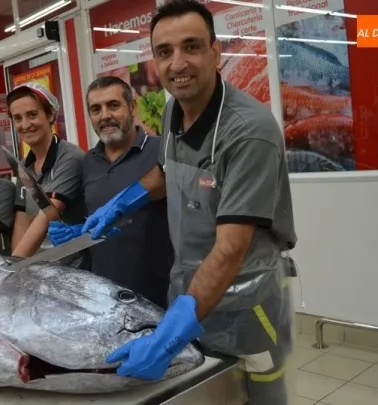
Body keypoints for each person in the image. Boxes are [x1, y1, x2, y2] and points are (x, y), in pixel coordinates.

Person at [55, 2, 298, 404]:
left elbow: (232, 248)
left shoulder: (248, 131)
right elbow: (166, 173)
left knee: (261, 395)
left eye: (192, 46)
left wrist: (168, 338)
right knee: (206, 395)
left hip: (247, 303)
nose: (178, 63)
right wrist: (120, 204)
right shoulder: (172, 111)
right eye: (165, 52)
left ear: (215, 52)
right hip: (188, 294)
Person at [48, 76, 174, 308]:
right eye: (96, 109)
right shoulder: (88, 162)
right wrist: (76, 234)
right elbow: (94, 220)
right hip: (104, 300)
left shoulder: (161, 150)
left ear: (133, 107)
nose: (104, 115)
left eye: (113, 105)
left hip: (161, 298)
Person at [6, 82, 85, 258]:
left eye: (32, 115)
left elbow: (46, 215)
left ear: (50, 115)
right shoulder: (24, 166)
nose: (25, 125)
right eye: (17, 118)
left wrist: (15, 264)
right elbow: (22, 220)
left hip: (71, 266)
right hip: (38, 265)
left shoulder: (70, 158)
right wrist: (15, 263)